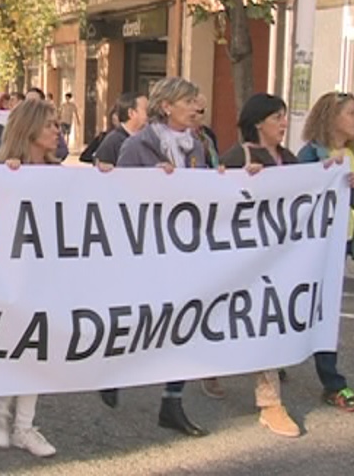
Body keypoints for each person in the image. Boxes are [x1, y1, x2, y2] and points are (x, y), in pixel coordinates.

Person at [108, 77, 209, 438]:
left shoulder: (198, 146)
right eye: (188, 100)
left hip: (184, 250)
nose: (196, 106)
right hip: (146, 249)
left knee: (182, 322)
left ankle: (172, 401)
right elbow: (116, 194)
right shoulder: (138, 146)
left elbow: (208, 192)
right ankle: (113, 370)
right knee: (140, 320)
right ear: (167, 106)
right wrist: (149, 182)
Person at [209, 93, 303, 438]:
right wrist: (238, 181)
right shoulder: (238, 156)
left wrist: (338, 180)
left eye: (284, 117)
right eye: (277, 117)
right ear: (259, 121)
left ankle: (269, 401)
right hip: (241, 262)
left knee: (266, 323)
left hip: (279, 262)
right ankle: (220, 370)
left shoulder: (290, 159)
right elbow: (213, 202)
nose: (283, 124)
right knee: (230, 317)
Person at [0, 98, 63, 458]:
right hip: (9, 275)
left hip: (47, 273)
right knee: (13, 343)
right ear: (29, 129)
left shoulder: (60, 171)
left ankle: (24, 427)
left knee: (40, 350)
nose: (57, 132)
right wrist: (8, 181)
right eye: (51, 125)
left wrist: (104, 173)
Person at [296, 91, 354, 412]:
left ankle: (332, 381)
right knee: (303, 308)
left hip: (339, 246)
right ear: (332, 118)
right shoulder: (310, 154)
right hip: (311, 247)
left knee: (324, 313)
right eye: (351, 113)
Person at [91, 94, 148, 165]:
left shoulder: (149, 139)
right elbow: (101, 170)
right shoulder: (113, 140)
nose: (150, 114)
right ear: (131, 113)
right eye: (146, 109)